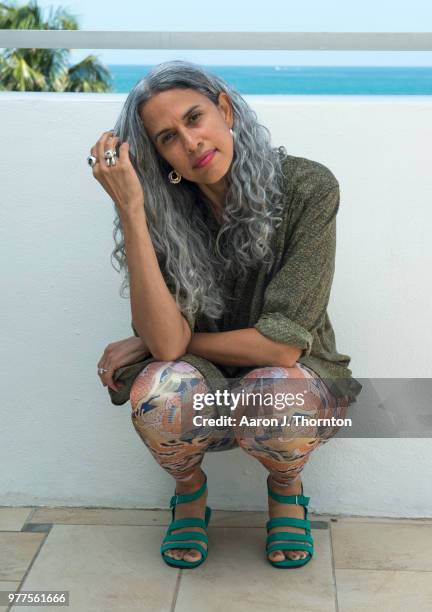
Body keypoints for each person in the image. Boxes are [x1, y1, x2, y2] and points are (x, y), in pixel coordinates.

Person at [89, 60, 362, 570]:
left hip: (295, 379)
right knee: (159, 389)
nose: (190, 143)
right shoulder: (160, 214)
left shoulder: (308, 187)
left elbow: (282, 345)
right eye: (168, 137)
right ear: (159, 156)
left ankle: (285, 489)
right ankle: (189, 492)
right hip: (206, 385)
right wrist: (132, 209)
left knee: (279, 393)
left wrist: (157, 345)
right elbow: (170, 351)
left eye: (195, 118)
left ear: (225, 110)